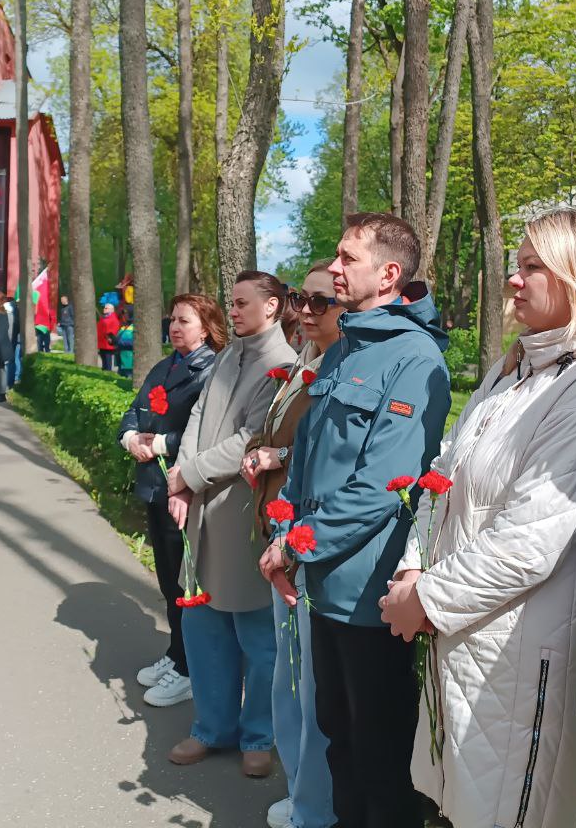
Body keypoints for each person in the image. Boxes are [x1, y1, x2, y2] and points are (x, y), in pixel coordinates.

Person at [377, 209, 576, 828]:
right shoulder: (511, 373)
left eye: (534, 266)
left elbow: (529, 541)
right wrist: (412, 569)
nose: (513, 279)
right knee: (455, 805)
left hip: (520, 655)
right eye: (518, 264)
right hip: (461, 636)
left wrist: (426, 598)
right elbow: (439, 479)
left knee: (505, 813)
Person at [260, 212, 451, 828]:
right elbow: (312, 462)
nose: (334, 268)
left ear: (389, 273)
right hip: (323, 584)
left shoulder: (414, 360)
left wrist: (296, 547)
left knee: (379, 762)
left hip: (368, 596)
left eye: (347, 259)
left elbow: (378, 488)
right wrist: (288, 535)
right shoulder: (349, 348)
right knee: (339, 740)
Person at [165, 271, 298, 777]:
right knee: (203, 627)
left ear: (271, 307)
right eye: (232, 303)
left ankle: (258, 735)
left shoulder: (281, 365)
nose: (233, 311)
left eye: (243, 303)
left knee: (257, 637)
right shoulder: (229, 354)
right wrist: (181, 477)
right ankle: (211, 728)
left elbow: (250, 435)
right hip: (202, 510)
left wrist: (189, 475)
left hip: (240, 515)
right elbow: (199, 414)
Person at [244, 260, 344, 828]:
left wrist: (278, 457)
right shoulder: (305, 360)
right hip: (281, 524)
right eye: (298, 301)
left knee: (308, 682)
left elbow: (323, 449)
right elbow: (281, 429)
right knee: (289, 671)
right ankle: (299, 786)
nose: (303, 312)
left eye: (318, 303)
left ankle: (316, 804)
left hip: (309, 534)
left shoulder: (342, 365)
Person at [120, 294, 227, 709]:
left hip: (184, 490)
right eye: (173, 320)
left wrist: (162, 442)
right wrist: (132, 438)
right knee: (168, 580)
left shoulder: (212, 370)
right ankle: (176, 652)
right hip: (154, 484)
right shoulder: (164, 366)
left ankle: (189, 668)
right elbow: (135, 411)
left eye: (185, 320)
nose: (175, 327)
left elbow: (210, 432)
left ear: (206, 326)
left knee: (186, 583)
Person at [98, 302, 120, 371]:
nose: (104, 309)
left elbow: (114, 329)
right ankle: (104, 371)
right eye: (104, 308)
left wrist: (109, 336)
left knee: (108, 360)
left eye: (106, 308)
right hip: (101, 342)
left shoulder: (113, 319)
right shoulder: (103, 318)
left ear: (111, 310)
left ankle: (108, 372)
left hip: (108, 342)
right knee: (103, 359)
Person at [117, 309, 135, 379]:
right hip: (121, 358)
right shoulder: (123, 327)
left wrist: (120, 342)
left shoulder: (134, 327)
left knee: (128, 377)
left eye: (126, 315)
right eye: (123, 315)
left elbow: (134, 342)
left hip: (129, 358)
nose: (123, 317)